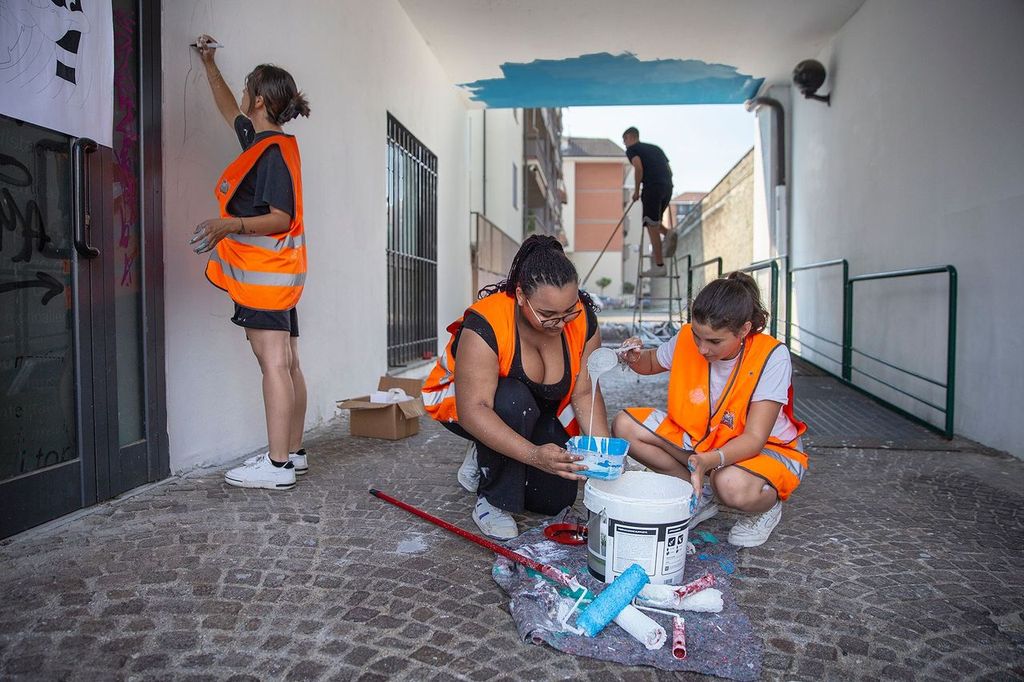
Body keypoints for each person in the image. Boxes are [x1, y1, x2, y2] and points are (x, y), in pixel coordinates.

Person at [422, 236, 610, 540]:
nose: (561, 324)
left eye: (569, 311)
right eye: (547, 315)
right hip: (475, 407)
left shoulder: (584, 321)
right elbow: (474, 409)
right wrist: (535, 455)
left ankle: (498, 449)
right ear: (521, 296)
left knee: (554, 501)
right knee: (513, 401)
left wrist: (606, 465)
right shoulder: (487, 323)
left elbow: (585, 393)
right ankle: (492, 498)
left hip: (539, 411)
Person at [190, 35, 311, 491]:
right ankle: (294, 454)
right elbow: (230, 111)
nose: (242, 96)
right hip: (278, 279)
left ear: (259, 98)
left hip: (266, 281)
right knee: (288, 361)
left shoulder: (273, 155)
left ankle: (277, 466)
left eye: (247, 89)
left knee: (274, 364)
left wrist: (230, 226)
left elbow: (280, 217)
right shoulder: (265, 143)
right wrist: (209, 64)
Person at [612, 272, 808, 547]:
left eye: (714, 342)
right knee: (624, 426)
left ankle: (765, 506)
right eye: (697, 336)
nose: (702, 349)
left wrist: (708, 462)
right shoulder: (688, 340)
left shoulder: (771, 356)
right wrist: (634, 357)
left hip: (768, 450)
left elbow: (754, 439)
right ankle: (700, 495)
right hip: (703, 441)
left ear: (744, 330)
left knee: (729, 484)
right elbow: (651, 362)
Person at [622, 127, 675, 277]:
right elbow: (670, 171)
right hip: (667, 187)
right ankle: (668, 233)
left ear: (629, 137)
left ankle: (659, 266)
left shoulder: (632, 149)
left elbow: (638, 168)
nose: (625, 144)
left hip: (652, 189)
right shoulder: (656, 148)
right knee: (655, 221)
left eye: (624, 140)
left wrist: (637, 191)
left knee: (651, 225)